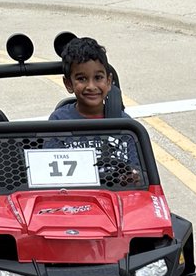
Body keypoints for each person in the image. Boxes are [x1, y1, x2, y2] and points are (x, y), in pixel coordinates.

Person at [48, 36, 140, 179]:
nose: (91, 86)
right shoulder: (59, 122)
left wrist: (132, 177)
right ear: (68, 84)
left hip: (117, 196)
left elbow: (139, 174)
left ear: (109, 82)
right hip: (74, 196)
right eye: (81, 79)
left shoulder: (124, 125)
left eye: (98, 78)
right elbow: (49, 174)